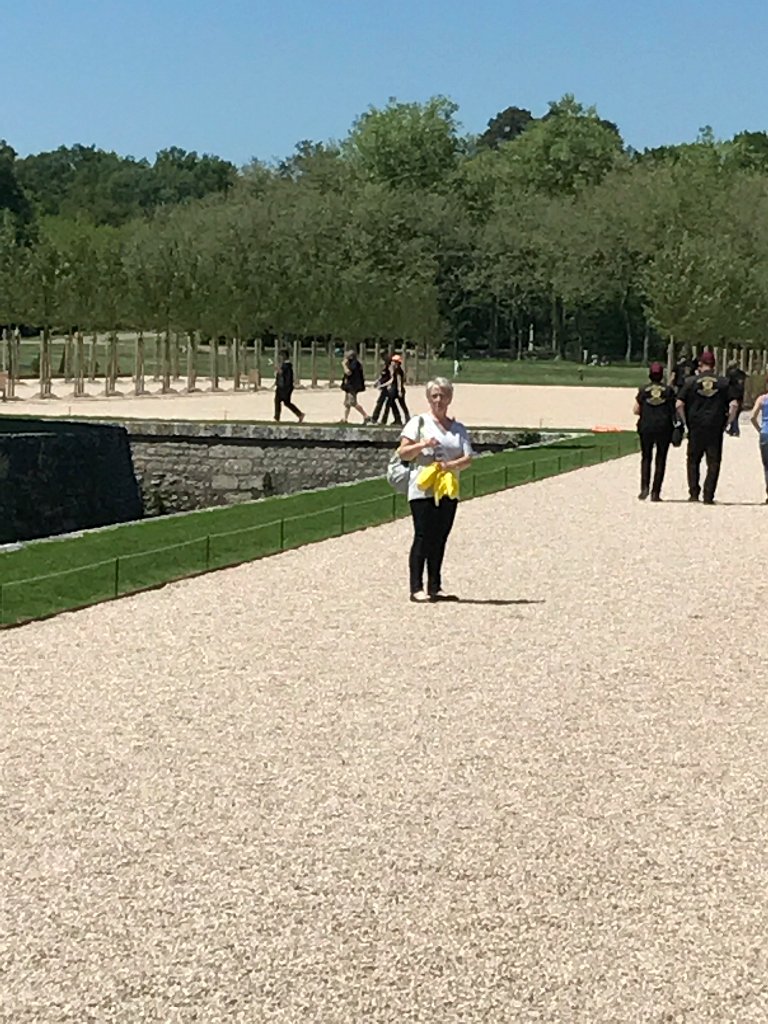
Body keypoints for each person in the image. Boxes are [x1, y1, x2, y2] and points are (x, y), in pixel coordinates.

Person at [398, 377, 473, 602]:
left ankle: (435, 585)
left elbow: (467, 458)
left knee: (440, 536)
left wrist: (449, 465)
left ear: (449, 398)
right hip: (423, 487)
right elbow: (403, 452)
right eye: (434, 396)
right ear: (429, 398)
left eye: (443, 396)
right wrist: (423, 445)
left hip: (448, 487)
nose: (438, 400)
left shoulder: (458, 429)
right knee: (423, 534)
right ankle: (416, 587)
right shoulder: (418, 423)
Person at [676, 350, 739, 504]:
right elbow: (734, 405)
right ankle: (708, 495)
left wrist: (685, 422)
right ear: (714, 364)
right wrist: (728, 422)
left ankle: (694, 493)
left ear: (700, 364)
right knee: (713, 461)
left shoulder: (690, 381)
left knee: (693, 460)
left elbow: (679, 404)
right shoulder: (723, 382)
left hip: (695, 425)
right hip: (715, 425)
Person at [633, 362, 677, 501]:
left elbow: (636, 410)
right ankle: (656, 492)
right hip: (664, 427)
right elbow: (673, 409)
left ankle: (644, 488)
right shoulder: (668, 390)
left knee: (646, 457)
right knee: (661, 459)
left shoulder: (643, 389)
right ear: (662, 375)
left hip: (646, 426)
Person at [749, 376, 768, 503]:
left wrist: (759, 429)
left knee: (767, 465)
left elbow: (752, 417)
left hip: (765, 433)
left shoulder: (762, 399)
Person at [273, 349, 304, 423]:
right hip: (282, 387)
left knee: (284, 402)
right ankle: (277, 417)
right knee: (280, 401)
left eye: (281, 356)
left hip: (285, 388)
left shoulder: (287, 366)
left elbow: (284, 375)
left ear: (284, 356)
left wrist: (278, 370)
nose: (280, 357)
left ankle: (299, 414)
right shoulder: (284, 365)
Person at [341, 349, 369, 423]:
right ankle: (345, 419)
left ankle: (366, 416)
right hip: (349, 386)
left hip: (352, 386)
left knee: (352, 402)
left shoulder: (354, 364)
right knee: (347, 403)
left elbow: (348, 372)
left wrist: (344, 365)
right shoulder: (353, 363)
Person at [370, 355, 394, 424]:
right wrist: (377, 382)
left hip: (388, 388)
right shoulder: (384, 368)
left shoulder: (390, 368)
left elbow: (392, 378)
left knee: (386, 405)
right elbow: (382, 376)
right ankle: (374, 418)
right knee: (379, 403)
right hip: (383, 388)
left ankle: (383, 420)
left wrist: (384, 385)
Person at [726, 362, 747, 436]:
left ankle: (735, 430)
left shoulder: (730, 373)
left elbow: (727, 383)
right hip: (740, 395)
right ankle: (732, 429)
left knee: (733, 412)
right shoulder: (742, 374)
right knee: (737, 413)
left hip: (732, 395)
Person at [388, 353, 409, 424]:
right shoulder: (395, 370)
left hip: (398, 390)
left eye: (394, 361)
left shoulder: (398, 371)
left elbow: (399, 381)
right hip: (396, 390)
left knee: (401, 404)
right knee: (395, 403)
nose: (392, 362)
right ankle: (399, 418)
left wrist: (399, 390)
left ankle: (402, 418)